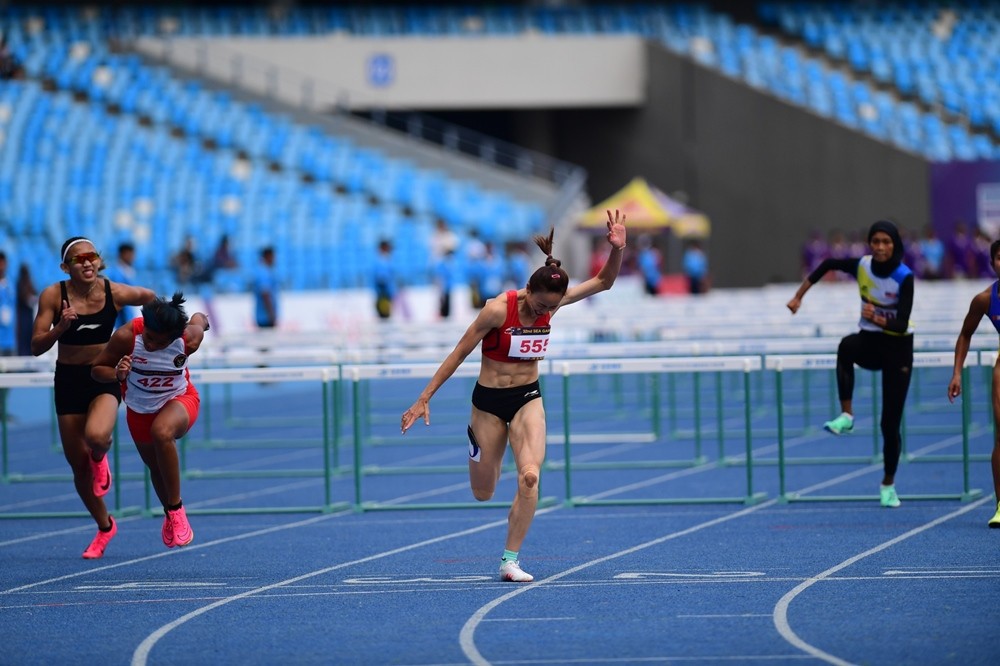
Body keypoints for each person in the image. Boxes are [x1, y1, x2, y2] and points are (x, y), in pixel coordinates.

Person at [400, 209, 627, 582]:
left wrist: (617, 248)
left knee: (530, 478)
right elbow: (459, 352)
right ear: (528, 290)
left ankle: (510, 560)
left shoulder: (553, 303)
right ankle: (484, 452)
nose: (546, 312)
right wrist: (424, 397)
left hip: (527, 398)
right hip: (488, 403)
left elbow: (604, 281)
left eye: (552, 307)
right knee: (483, 492)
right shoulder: (496, 310)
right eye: (541, 306)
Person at [30, 237, 156, 558]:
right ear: (65, 267)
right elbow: (35, 346)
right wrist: (60, 328)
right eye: (78, 259)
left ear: (99, 261)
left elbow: (151, 298)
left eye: (91, 257)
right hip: (68, 380)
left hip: (104, 375)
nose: (86, 262)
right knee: (78, 468)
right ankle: (104, 527)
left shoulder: (114, 292)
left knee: (97, 437)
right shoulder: (52, 295)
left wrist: (153, 337)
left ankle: (101, 457)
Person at [786, 220, 914, 509]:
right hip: (869, 342)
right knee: (845, 346)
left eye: (886, 242)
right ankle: (847, 416)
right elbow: (827, 263)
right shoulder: (862, 266)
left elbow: (903, 321)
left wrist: (878, 316)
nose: (880, 247)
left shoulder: (905, 276)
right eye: (875, 241)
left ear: (894, 245)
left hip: (898, 349)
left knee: (888, 425)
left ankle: (888, 484)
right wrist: (798, 296)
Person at [91, 293, 210, 549]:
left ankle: (177, 510)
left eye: (159, 342)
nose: (152, 344)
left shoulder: (189, 339)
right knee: (156, 468)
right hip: (139, 409)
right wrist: (116, 373)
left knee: (162, 432)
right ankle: (169, 513)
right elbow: (96, 370)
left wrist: (202, 319)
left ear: (175, 337)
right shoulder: (127, 336)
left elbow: (198, 321)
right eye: (149, 337)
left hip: (180, 400)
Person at [947, 238, 1000, 527]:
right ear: (993, 263)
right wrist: (957, 372)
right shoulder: (984, 299)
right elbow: (965, 334)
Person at [103, 242, 138, 328]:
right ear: (122, 254)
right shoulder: (115, 273)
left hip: (127, 317)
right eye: (129, 254)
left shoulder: (129, 271)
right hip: (118, 319)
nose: (132, 257)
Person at [253, 246, 278, 329]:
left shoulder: (265, 271)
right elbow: (265, 294)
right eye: (273, 256)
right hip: (265, 318)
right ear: (268, 256)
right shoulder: (264, 273)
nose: (274, 259)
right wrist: (271, 315)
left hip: (265, 317)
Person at [15, 263, 36, 357]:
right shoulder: (20, 284)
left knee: (29, 337)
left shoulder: (29, 283)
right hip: (23, 316)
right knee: (23, 339)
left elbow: (34, 293)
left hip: (29, 317)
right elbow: (23, 297)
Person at [373, 239, 397, 320]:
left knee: (386, 317)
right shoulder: (381, 262)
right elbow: (381, 279)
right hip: (383, 296)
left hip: (386, 295)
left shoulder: (387, 261)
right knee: (384, 317)